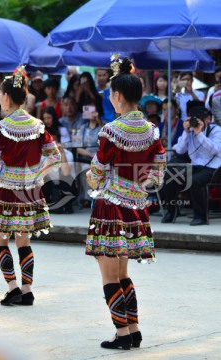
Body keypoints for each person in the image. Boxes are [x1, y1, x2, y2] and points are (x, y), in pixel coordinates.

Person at [85, 55, 166, 350]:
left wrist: (94, 182)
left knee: (109, 274)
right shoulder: (151, 131)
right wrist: (139, 187)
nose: (110, 97)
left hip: (109, 207)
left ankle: (122, 335)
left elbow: (97, 172)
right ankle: (132, 329)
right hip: (135, 208)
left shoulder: (111, 131)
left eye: (110, 93)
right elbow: (158, 171)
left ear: (117, 95)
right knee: (123, 273)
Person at [0, 66, 61, 306]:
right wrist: (36, 173)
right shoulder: (38, 126)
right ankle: (27, 289)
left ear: (6, 97)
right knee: (23, 241)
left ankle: (13, 286)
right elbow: (55, 157)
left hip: (6, 190)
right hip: (30, 190)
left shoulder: (0, 129)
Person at [161, 106, 221, 225]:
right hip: (194, 166)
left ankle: (201, 217)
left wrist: (200, 134)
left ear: (208, 119)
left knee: (194, 181)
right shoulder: (190, 131)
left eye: (200, 119)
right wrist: (186, 132)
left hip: (213, 168)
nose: (196, 122)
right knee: (169, 175)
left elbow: (215, 149)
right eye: (194, 119)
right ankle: (171, 211)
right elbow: (179, 150)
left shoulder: (216, 130)